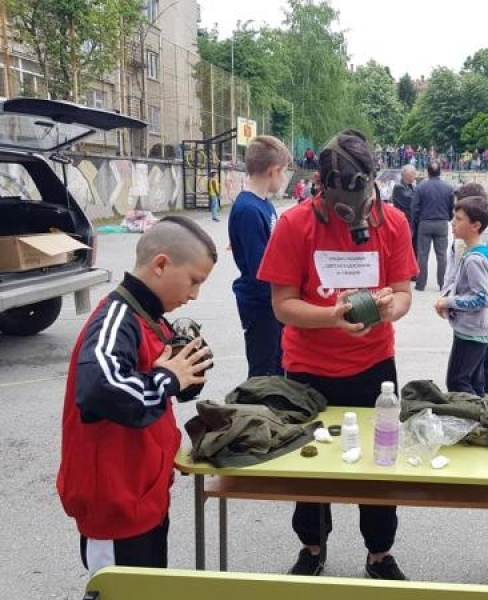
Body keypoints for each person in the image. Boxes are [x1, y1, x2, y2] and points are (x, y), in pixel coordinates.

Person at [257, 129, 417, 580]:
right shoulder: (295, 224)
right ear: (321, 185)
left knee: (379, 464)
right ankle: (312, 545)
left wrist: (388, 309)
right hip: (308, 370)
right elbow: (282, 305)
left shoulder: (394, 223)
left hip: (374, 370)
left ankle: (379, 553)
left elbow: (405, 293)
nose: (351, 210)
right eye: (339, 198)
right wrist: (333, 317)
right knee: (309, 466)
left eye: (361, 195)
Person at [57, 216, 217, 574]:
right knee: (122, 589)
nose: (194, 295)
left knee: (147, 585)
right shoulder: (115, 319)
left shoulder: (150, 317)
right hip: (116, 505)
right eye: (194, 281)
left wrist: (190, 372)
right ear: (161, 264)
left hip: (143, 495)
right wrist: (167, 378)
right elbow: (100, 389)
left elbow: (157, 385)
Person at [228, 135, 292, 378]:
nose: (284, 178)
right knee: (263, 372)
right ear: (273, 171)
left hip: (271, 302)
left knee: (279, 366)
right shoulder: (248, 210)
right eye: (284, 172)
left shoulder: (264, 204)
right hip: (261, 304)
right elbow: (260, 269)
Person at [442, 182, 488, 395]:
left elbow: (486, 293)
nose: (452, 223)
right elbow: (452, 269)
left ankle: (482, 410)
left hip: (477, 321)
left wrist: (450, 301)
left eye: (458, 218)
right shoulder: (468, 246)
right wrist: (447, 295)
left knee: (461, 380)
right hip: (469, 319)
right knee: (473, 377)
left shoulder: (483, 249)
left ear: (475, 224)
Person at [411, 160, 454, 291]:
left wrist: (417, 221)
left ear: (427, 172)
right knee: (442, 255)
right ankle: (442, 284)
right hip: (441, 223)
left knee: (423, 255)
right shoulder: (448, 188)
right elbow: (451, 207)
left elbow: (414, 207)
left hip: (425, 222)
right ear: (440, 172)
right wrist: (448, 218)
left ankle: (421, 284)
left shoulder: (421, 187)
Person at [391, 164, 417, 259]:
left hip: (412, 222)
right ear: (407, 175)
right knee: (405, 249)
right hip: (404, 223)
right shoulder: (399, 187)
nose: (415, 175)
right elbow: (411, 201)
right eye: (413, 173)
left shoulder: (411, 186)